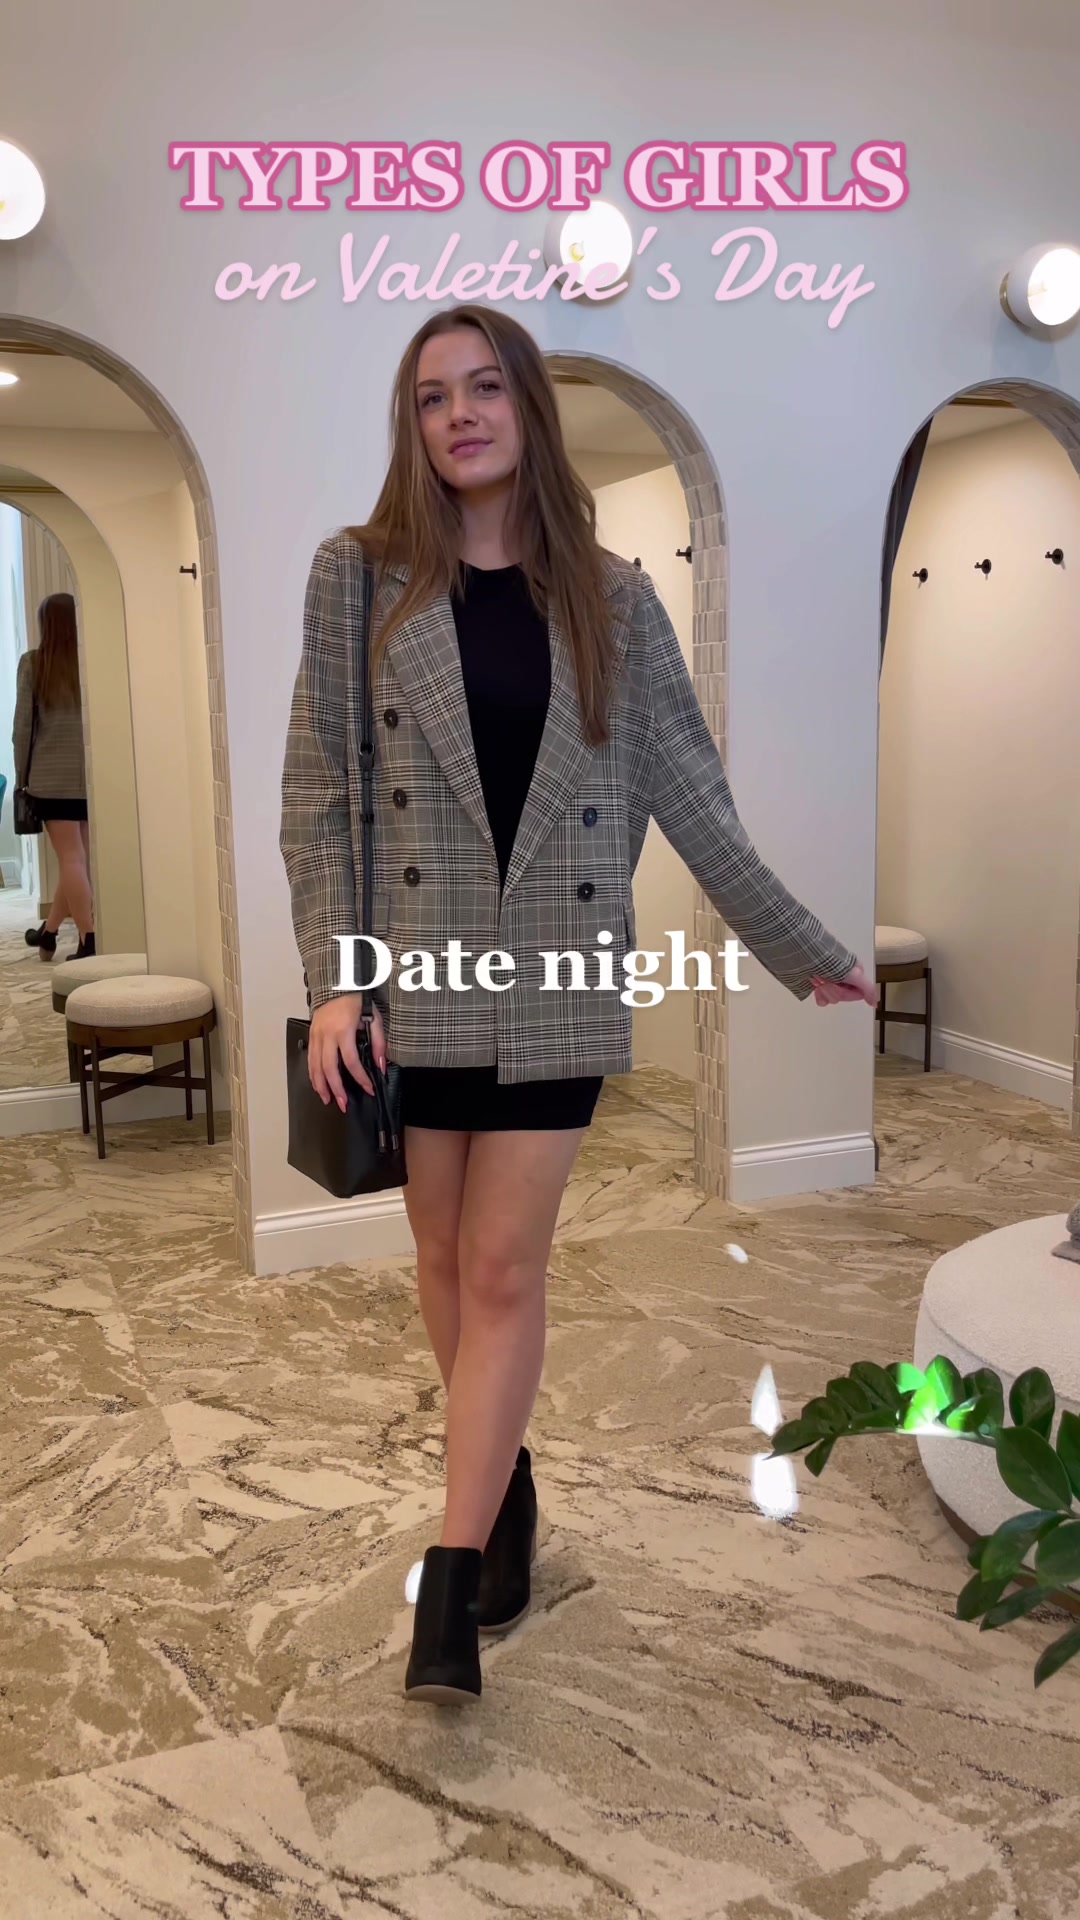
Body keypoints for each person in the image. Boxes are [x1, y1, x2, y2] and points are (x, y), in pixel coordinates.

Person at [280, 304, 877, 1708]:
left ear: (529, 410)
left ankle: (452, 1575)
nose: (460, 415)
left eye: (486, 387)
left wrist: (800, 947)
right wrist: (338, 979)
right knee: (442, 1262)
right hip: (419, 977)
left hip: (556, 977)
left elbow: (691, 793)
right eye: (432, 397)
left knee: (503, 1272)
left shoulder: (615, 600)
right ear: (412, 427)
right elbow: (324, 795)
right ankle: (508, 1482)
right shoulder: (358, 576)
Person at [12, 591, 95, 961]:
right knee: (76, 859)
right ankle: (49, 932)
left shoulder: (34, 663)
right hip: (91, 777)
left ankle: (89, 939)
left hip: (50, 778)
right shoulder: (89, 660)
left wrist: (21, 778)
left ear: (45, 624)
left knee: (71, 859)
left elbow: (22, 729)